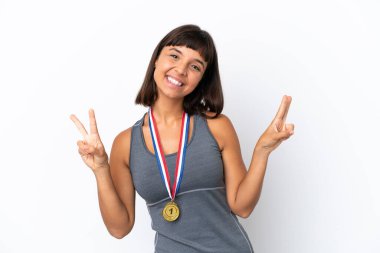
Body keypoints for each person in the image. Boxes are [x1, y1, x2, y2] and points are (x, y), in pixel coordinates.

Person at [70, 24, 294, 253]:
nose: (181, 69)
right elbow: (119, 228)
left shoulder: (217, 127)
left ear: (202, 79)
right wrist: (100, 169)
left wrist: (262, 151)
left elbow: (243, 207)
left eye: (195, 66)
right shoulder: (126, 144)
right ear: (156, 59)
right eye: (174, 56)